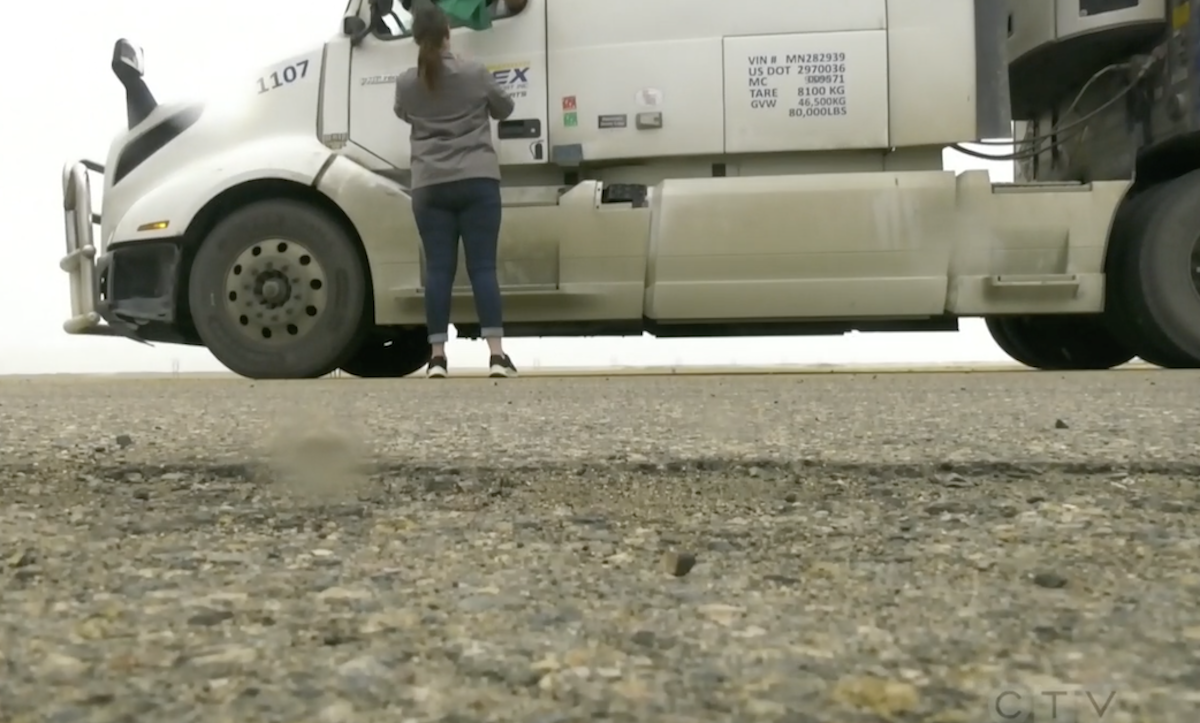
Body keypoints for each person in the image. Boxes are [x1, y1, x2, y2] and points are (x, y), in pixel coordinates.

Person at [393, 0, 518, 379]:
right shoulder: (474, 71)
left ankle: (436, 359)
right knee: (482, 268)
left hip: (430, 186)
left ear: (416, 38)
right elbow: (505, 108)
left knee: (438, 271)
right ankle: (496, 357)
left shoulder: (406, 81)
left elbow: (403, 112)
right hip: (478, 181)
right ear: (447, 34)